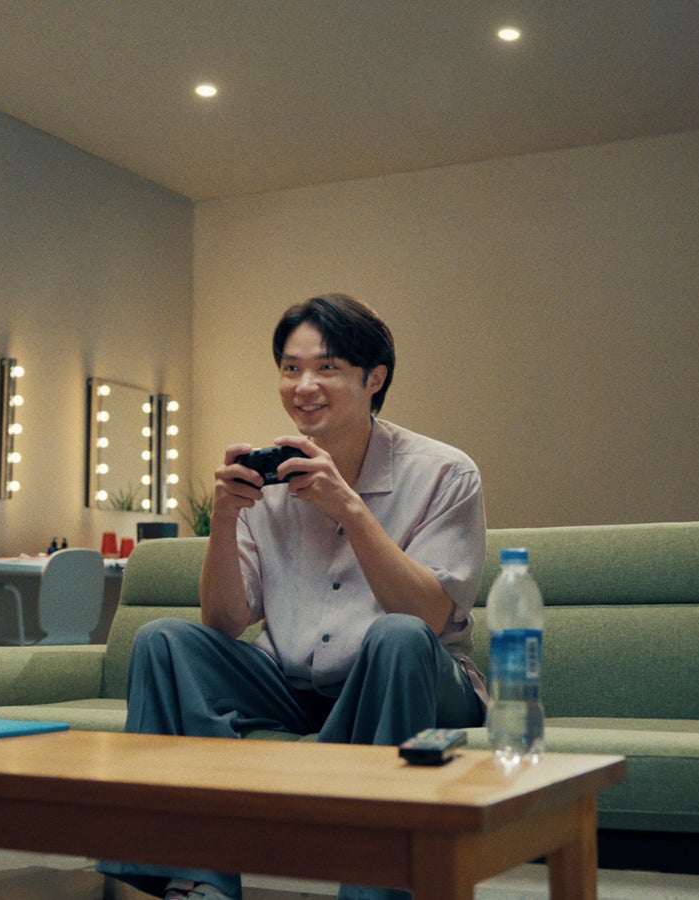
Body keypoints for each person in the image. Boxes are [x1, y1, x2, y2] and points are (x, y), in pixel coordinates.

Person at [102, 293, 487, 900]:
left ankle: (374, 890)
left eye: (326, 367)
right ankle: (198, 880)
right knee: (163, 641)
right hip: (292, 684)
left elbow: (430, 616)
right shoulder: (271, 479)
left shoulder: (445, 473)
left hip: (414, 680)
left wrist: (349, 509)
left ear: (374, 378)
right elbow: (224, 622)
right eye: (290, 368)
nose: (304, 386)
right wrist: (224, 518)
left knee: (397, 637)